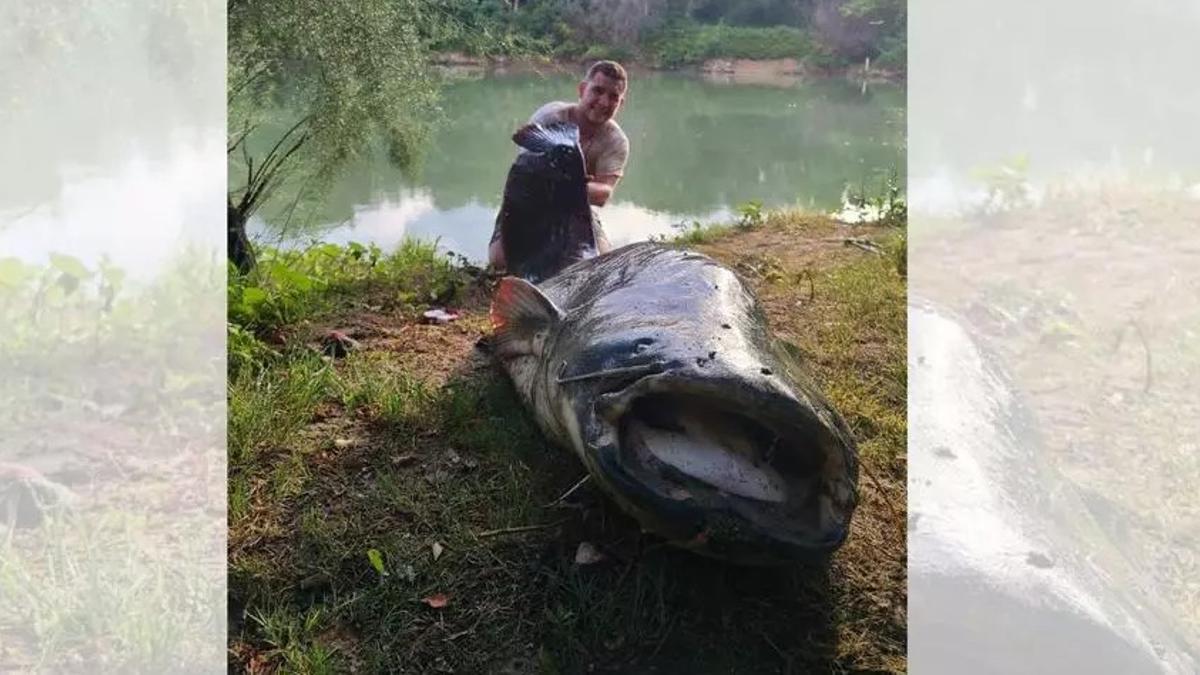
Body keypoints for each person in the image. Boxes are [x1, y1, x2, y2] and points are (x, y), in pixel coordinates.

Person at [488, 60, 630, 270]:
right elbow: (526, 178)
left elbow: (603, 195)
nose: (603, 102)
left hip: (576, 210)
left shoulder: (617, 140)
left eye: (613, 97)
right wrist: (577, 185)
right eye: (597, 91)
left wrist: (566, 184)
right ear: (582, 90)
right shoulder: (551, 117)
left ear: (621, 104)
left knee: (599, 265)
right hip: (528, 204)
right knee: (501, 261)